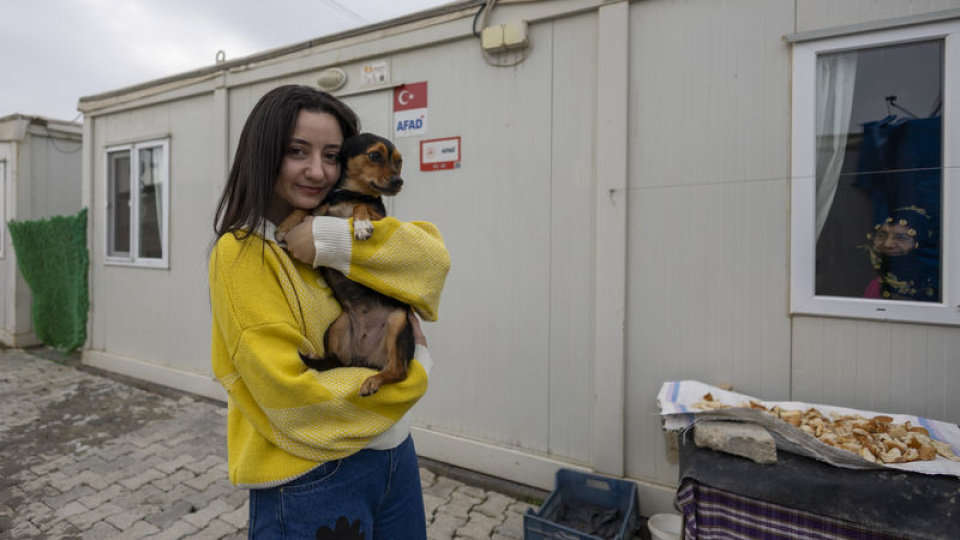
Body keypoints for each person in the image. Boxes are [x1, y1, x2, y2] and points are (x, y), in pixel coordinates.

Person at [208, 84, 450, 539]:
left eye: (333, 155)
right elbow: (291, 397)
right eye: (297, 151)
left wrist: (331, 241)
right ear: (263, 155)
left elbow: (433, 265)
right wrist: (417, 370)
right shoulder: (242, 254)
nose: (317, 171)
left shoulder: (349, 227)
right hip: (310, 478)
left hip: (395, 457)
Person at [862, 205, 938, 301]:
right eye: (882, 235)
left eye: (901, 238)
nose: (888, 244)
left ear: (921, 243)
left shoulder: (942, 287)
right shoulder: (876, 283)